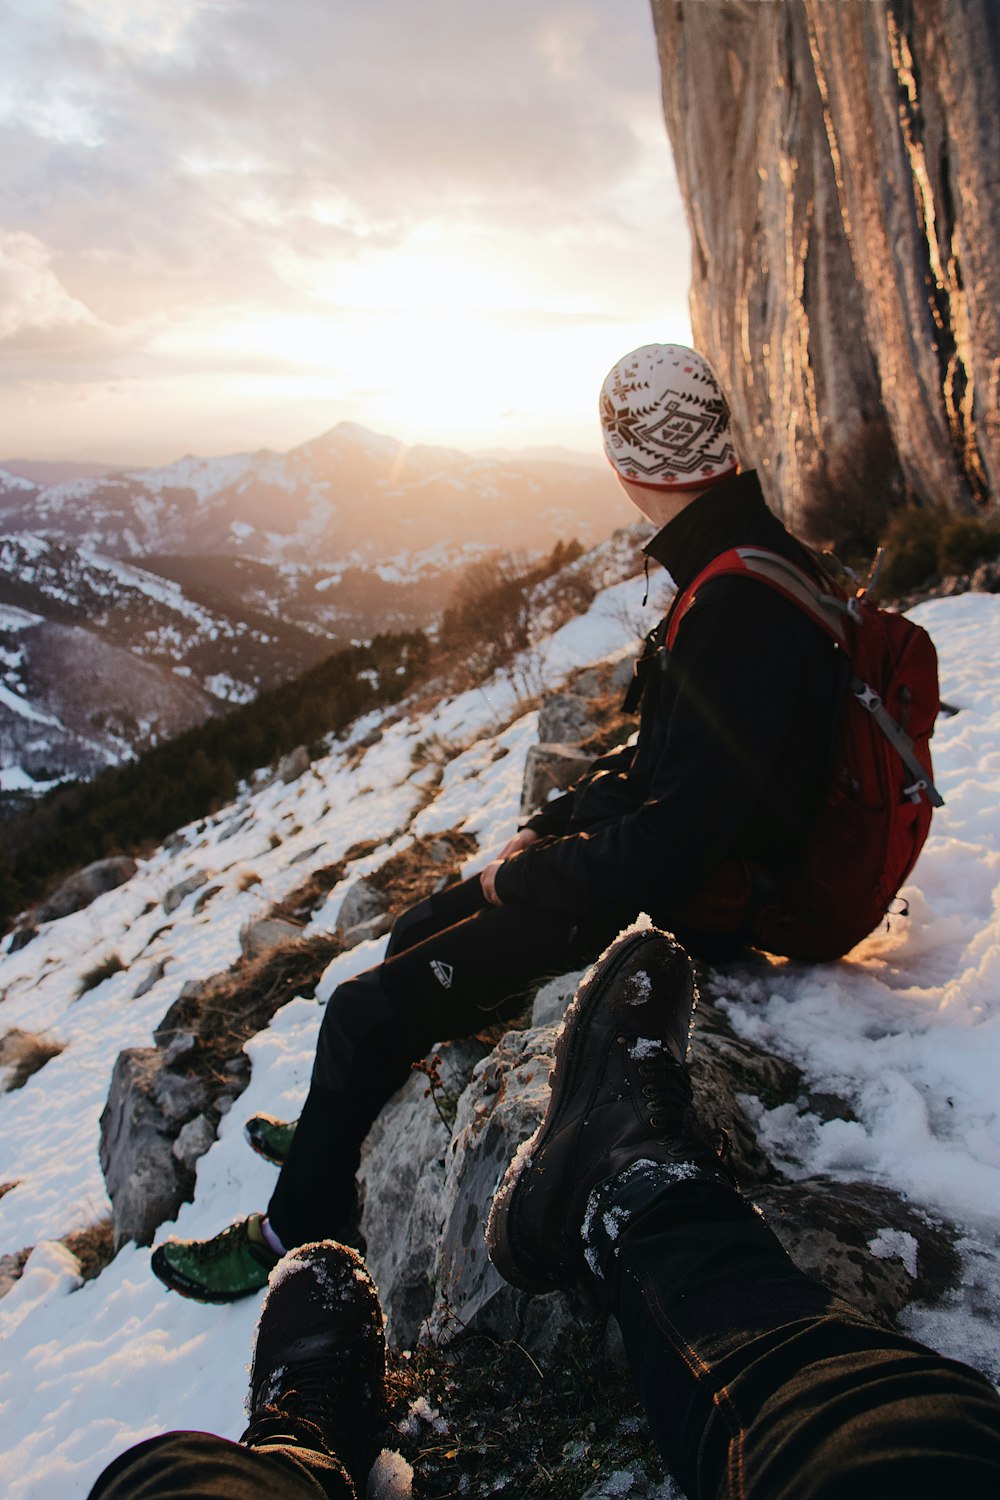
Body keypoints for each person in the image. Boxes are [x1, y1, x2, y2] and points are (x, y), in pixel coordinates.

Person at [151, 344, 849, 1301]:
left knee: (361, 1009)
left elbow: (672, 842)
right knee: (412, 932)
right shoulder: (747, 559)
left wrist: (521, 879)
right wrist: (550, 824)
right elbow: (675, 769)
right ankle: (336, 1126)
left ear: (625, 462)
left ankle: (292, 1231)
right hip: (693, 865)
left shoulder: (733, 603)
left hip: (702, 902)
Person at [97, 926, 1000, 1498]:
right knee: (910, 1442)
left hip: (639, 882)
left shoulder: (745, 618)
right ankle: (630, 1191)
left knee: (157, 1481)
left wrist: (520, 877)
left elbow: (679, 812)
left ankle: (302, 1460)